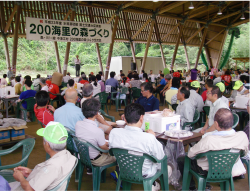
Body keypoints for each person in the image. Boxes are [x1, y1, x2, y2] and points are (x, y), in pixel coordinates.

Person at [178, 108, 249, 191]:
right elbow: (244, 153)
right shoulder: (242, 136)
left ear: (216, 124)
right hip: (229, 167)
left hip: (207, 170)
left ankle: (191, 188)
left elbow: (190, 154)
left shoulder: (209, 140)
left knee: (182, 159)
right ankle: (206, 186)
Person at [109, 103, 168, 191]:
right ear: (141, 118)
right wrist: (153, 137)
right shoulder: (149, 138)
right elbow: (160, 157)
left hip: (124, 170)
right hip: (145, 173)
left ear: (124, 118)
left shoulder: (114, 132)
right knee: (167, 167)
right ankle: (153, 184)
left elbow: (112, 152)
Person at [9, 122, 77, 191]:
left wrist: (20, 178)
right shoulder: (68, 155)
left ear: (47, 144)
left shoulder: (52, 166)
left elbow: (29, 189)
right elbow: (49, 177)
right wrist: (31, 173)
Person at [75, 98, 116, 166]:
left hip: (82, 156)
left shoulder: (78, 124)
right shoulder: (98, 131)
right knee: (119, 157)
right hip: (96, 160)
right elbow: (104, 148)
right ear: (97, 113)